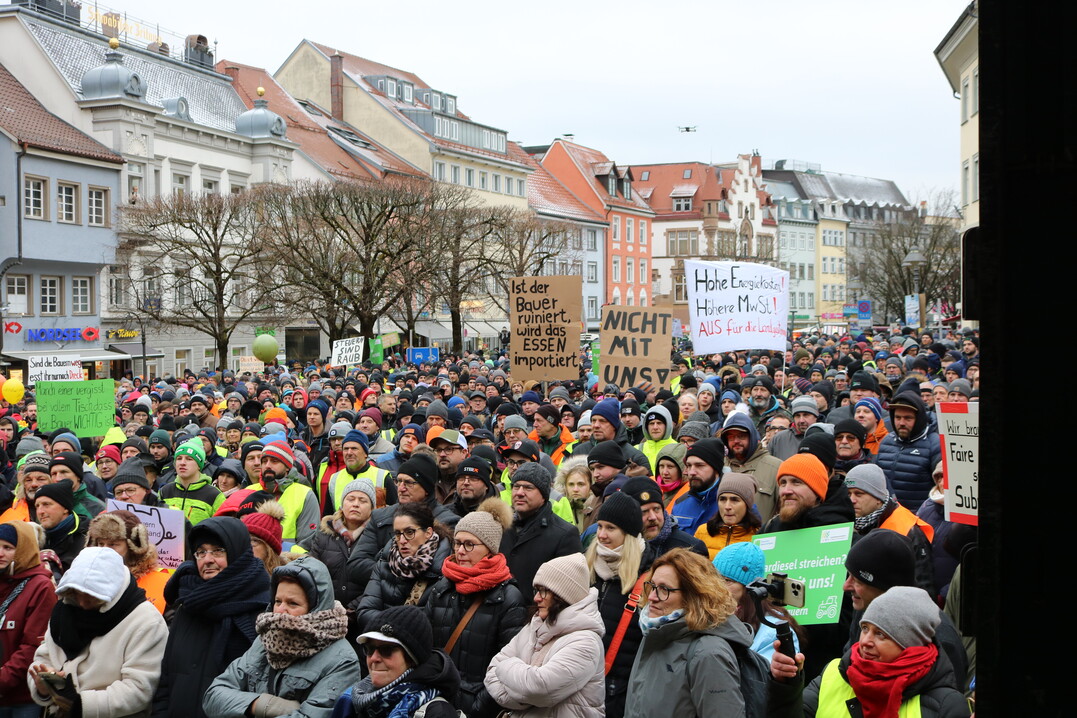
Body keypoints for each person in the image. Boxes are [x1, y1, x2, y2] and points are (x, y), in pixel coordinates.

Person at [769, 586, 970, 718]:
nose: (865, 641)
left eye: (881, 634)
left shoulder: (947, 705)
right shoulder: (834, 673)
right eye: (865, 628)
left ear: (911, 644)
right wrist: (787, 685)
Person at [203, 556, 361, 718]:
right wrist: (266, 705)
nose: (280, 610)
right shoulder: (265, 641)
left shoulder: (342, 661)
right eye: (278, 601)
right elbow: (213, 696)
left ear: (316, 608)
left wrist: (240, 706)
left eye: (293, 604)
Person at [153, 516, 272, 718]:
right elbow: (166, 679)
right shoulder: (187, 605)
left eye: (218, 550)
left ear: (238, 553)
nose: (207, 559)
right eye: (201, 552)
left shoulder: (263, 611)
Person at [28, 547, 168, 718]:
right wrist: (43, 685)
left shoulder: (146, 621)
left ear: (113, 590)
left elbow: (139, 689)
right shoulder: (65, 608)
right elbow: (43, 656)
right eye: (77, 593)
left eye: (92, 595)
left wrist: (82, 704)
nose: (83, 603)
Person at [423, 498, 527, 718]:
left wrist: (478, 708)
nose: (460, 550)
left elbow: (507, 665)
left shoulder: (507, 597)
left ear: (489, 548)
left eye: (469, 544)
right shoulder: (442, 587)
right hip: (436, 700)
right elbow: (426, 648)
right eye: (457, 542)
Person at [624, 547, 751, 718]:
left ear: (693, 595)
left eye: (664, 589)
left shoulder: (709, 652)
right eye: (652, 586)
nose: (652, 597)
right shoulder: (654, 631)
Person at [484, 553, 605, 718]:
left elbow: (538, 689)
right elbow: (491, 671)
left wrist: (507, 665)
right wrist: (522, 693)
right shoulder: (535, 625)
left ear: (563, 595)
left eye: (543, 591)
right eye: (536, 590)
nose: (536, 598)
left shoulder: (585, 642)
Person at [586, 492, 654, 718]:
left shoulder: (649, 578)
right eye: (600, 526)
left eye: (611, 528)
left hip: (618, 692)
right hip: (578, 682)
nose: (602, 535)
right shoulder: (584, 566)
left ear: (629, 534)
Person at [333, 604, 460, 718]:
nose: (374, 658)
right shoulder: (352, 701)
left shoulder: (437, 713)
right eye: (369, 649)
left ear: (412, 659)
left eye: (386, 650)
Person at [356, 501, 452, 633]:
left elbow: (434, 622)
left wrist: (388, 624)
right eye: (397, 533)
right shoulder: (386, 561)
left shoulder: (446, 569)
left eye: (409, 532)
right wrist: (394, 628)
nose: (402, 541)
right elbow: (364, 612)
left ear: (428, 532)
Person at [300, 478, 375, 642]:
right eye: (350, 499)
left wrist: (351, 611)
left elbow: (376, 580)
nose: (355, 504)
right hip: (324, 616)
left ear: (372, 508)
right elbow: (312, 574)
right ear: (342, 504)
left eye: (362, 500)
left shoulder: (377, 538)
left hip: (361, 620)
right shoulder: (324, 534)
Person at [845, 464, 935, 593]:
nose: (852, 500)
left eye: (859, 494)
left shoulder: (908, 529)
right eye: (848, 494)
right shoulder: (850, 522)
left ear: (878, 498)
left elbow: (923, 586)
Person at [498, 462, 582, 598]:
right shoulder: (501, 527)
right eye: (516, 486)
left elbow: (567, 589)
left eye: (528, 488)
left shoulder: (565, 534)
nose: (519, 493)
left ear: (543, 495)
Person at [0, 521, 58, 717]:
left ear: (24, 549)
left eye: (8, 547)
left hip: (21, 699)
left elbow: (32, 647)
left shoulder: (40, 586)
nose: (0, 553)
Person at [713, 541, 801, 660]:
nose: (718, 586)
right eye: (715, 579)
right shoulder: (707, 615)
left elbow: (764, 676)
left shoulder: (772, 632)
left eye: (727, 580)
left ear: (749, 588)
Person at [87, 510, 173, 614]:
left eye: (113, 544)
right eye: (101, 543)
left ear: (133, 546)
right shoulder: (85, 578)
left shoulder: (163, 582)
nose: (104, 550)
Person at [875, 392, 942, 510]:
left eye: (908, 418)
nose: (901, 423)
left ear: (919, 418)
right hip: (888, 517)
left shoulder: (934, 444)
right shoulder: (887, 441)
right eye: (897, 417)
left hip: (918, 519)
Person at [719, 413, 781, 521]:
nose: (736, 441)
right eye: (731, 437)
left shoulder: (776, 467)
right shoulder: (719, 466)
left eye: (741, 436)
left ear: (752, 437)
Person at [694, 473, 762, 559]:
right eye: (722, 499)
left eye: (735, 500)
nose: (727, 507)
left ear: (747, 504)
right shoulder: (702, 532)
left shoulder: (758, 536)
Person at [669, 438, 726, 534]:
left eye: (699, 465)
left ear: (716, 468)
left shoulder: (734, 503)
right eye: (689, 465)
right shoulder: (680, 503)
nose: (691, 472)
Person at [33, 481, 87, 574]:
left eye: (46, 504)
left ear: (65, 508)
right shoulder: (35, 539)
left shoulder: (87, 537)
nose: (40, 511)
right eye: (37, 506)